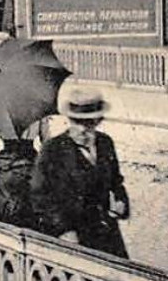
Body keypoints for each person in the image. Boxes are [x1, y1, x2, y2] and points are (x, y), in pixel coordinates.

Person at [30, 85, 130, 257]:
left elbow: (116, 182)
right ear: (69, 120)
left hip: (106, 233)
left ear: (98, 121)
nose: (84, 129)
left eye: (90, 123)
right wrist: (63, 229)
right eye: (78, 122)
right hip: (71, 237)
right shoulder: (53, 150)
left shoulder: (105, 144)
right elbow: (40, 197)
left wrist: (121, 202)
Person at [0, 120, 47, 230]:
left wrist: (0, 157)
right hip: (29, 165)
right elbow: (46, 141)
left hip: (5, 166)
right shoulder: (39, 110)